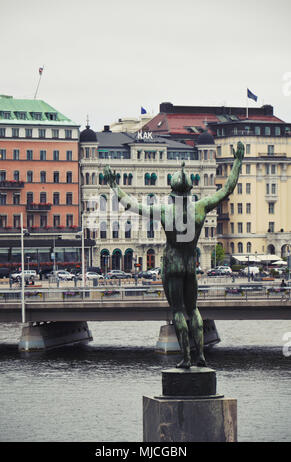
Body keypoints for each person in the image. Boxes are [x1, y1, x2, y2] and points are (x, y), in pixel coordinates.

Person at [104, 141, 245, 368]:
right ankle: (200, 356)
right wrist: (237, 161)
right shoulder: (200, 207)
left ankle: (186, 358)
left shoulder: (164, 210)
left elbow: (132, 205)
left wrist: (113, 186)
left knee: (178, 311)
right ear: (190, 191)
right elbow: (227, 189)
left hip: (171, 265)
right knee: (194, 309)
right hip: (190, 264)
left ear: (171, 193)